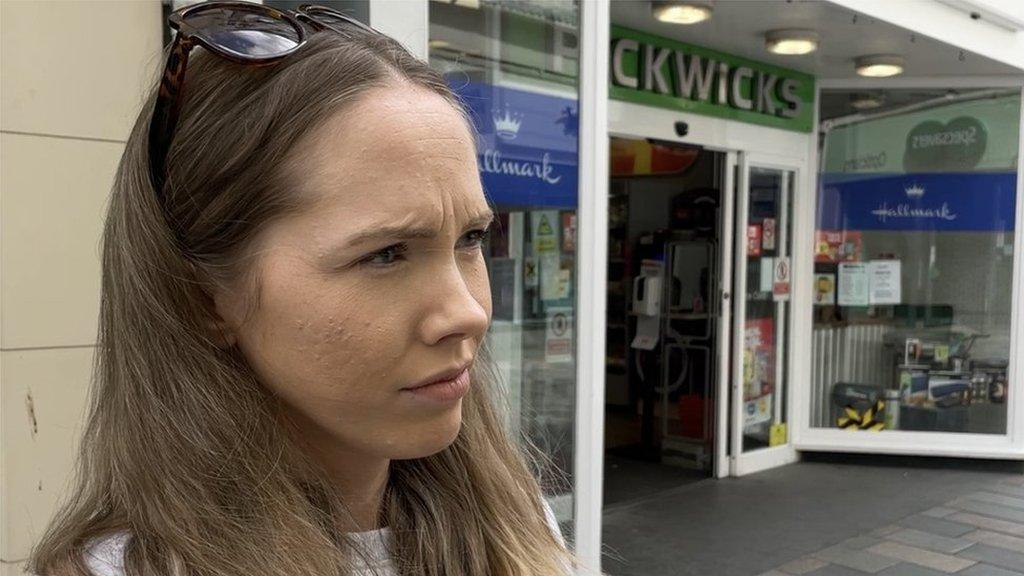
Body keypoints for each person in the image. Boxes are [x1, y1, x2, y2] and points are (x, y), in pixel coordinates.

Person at [27, 3, 580, 575]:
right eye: (385, 254)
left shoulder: (515, 522)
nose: (468, 313)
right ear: (203, 298)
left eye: (470, 238)